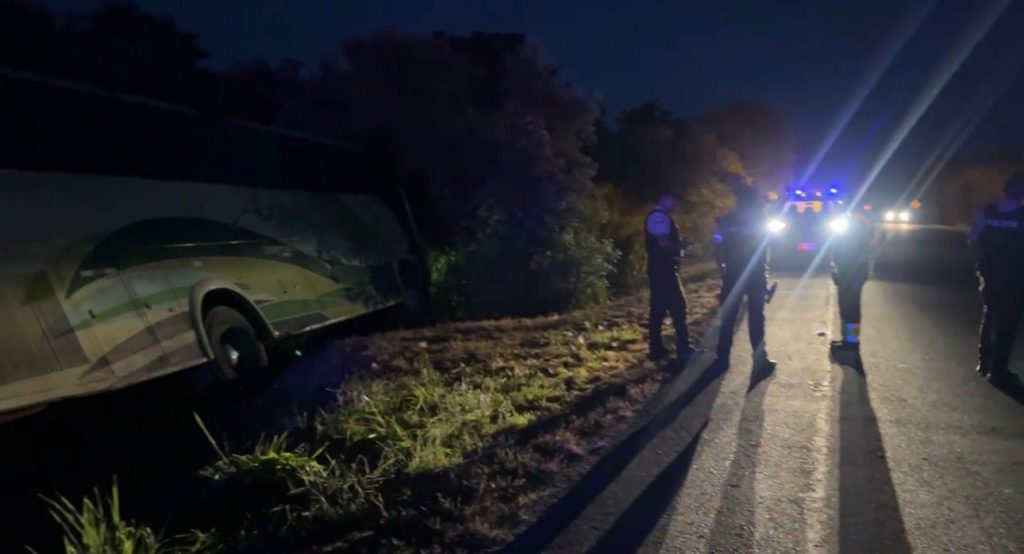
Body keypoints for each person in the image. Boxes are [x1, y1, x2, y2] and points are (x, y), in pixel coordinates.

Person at [969, 172, 1024, 387]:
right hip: (1015, 275)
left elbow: (973, 240)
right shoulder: (1022, 215)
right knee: (1007, 322)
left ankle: (984, 362)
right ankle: (998, 368)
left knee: (990, 314)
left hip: (989, 272)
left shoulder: (986, 212)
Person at [715, 185, 775, 368]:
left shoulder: (726, 220)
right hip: (755, 274)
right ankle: (760, 359)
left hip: (733, 273)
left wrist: (721, 267)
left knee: (729, 317)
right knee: (756, 317)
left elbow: (717, 245)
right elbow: (766, 248)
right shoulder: (761, 220)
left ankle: (722, 358)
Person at [645, 191, 695, 362]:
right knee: (678, 306)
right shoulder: (659, 217)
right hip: (663, 269)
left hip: (660, 268)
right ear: (665, 199)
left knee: (658, 309)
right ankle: (683, 347)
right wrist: (682, 244)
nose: (676, 205)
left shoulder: (661, 216)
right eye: (673, 201)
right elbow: (663, 242)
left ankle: (656, 349)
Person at [831, 211, 876, 349]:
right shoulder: (858, 222)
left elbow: (845, 248)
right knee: (848, 306)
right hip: (851, 270)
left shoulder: (856, 223)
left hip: (851, 271)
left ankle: (850, 342)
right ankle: (849, 339)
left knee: (849, 307)